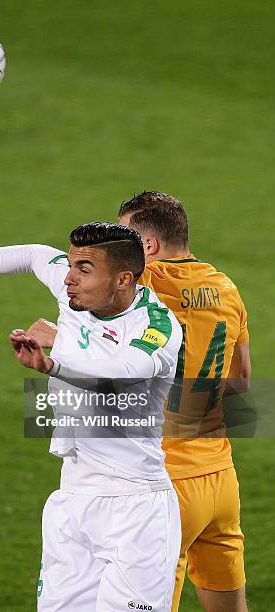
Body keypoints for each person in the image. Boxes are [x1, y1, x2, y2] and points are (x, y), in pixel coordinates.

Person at [0, 222, 183, 612]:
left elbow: (120, 375)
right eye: (71, 263)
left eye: (83, 269)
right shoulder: (72, 290)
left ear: (123, 279)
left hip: (136, 507)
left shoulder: (157, 326)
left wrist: (54, 355)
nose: (67, 278)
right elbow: (31, 254)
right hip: (72, 499)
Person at [27, 194, 251, 612]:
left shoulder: (141, 285)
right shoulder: (227, 289)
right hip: (221, 478)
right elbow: (242, 387)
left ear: (145, 248)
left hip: (163, 480)